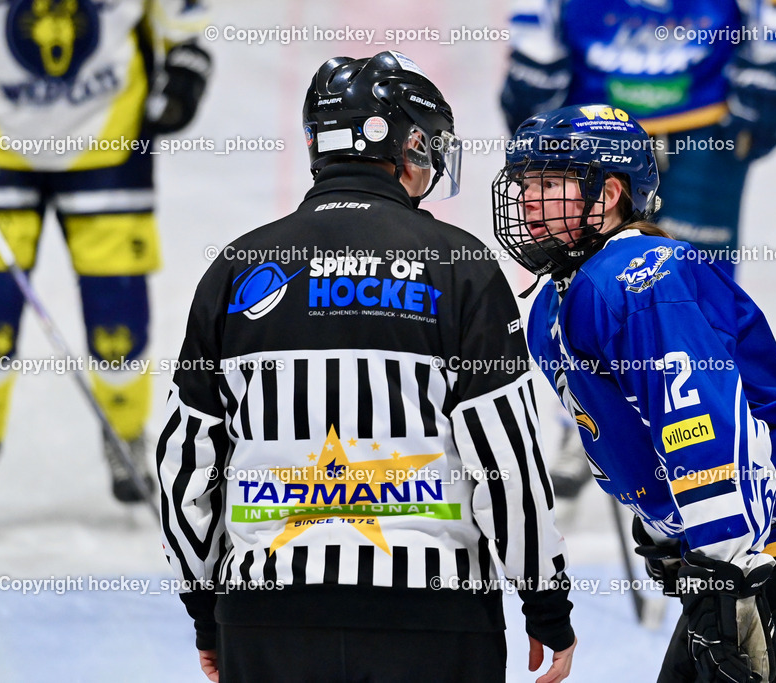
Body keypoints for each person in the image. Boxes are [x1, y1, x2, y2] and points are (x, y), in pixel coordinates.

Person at [158, 51, 576, 683]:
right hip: (435, 620)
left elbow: (183, 466)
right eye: (430, 146)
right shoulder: (461, 266)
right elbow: (506, 460)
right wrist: (545, 603)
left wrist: (206, 609)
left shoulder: (236, 267)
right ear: (408, 147)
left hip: (268, 617)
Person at [492, 104, 776, 682]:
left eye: (552, 183)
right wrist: (668, 530)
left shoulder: (642, 274)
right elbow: (625, 430)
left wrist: (722, 566)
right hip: (758, 535)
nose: (530, 201)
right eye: (526, 183)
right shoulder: (555, 303)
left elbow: (700, 420)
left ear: (609, 193)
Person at [500, 0, 776, 511]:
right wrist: (536, 77)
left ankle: (717, 416)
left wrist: (767, 83)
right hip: (588, 122)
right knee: (583, 284)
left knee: (689, 287)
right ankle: (590, 418)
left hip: (705, 123)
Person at [0, 0, 212, 506]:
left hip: (107, 145)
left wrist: (182, 83)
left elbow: (186, 36)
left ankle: (125, 436)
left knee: (117, 310)